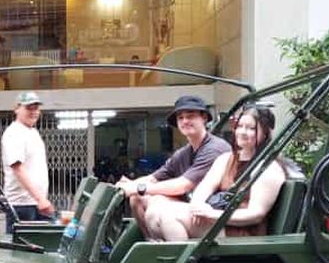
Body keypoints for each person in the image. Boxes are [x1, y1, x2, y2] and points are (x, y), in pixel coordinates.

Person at [150, 105, 285, 241]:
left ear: (265, 133)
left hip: (242, 230)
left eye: (251, 128)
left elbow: (256, 214)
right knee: (154, 212)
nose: (243, 132)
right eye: (240, 126)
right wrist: (198, 205)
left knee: (169, 217)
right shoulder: (226, 159)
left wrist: (210, 214)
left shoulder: (268, 168)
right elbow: (204, 187)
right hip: (217, 219)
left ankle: (184, 254)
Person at [116, 95, 230, 239]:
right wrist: (127, 186)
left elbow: (183, 185)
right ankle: (150, 242)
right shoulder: (184, 153)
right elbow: (153, 178)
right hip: (192, 209)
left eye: (190, 116)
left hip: (215, 214)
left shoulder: (214, 149)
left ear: (204, 118)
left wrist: (138, 187)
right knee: (137, 198)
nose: (185, 121)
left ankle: (176, 252)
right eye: (180, 118)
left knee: (157, 211)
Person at [1, 91, 53, 233]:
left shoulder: (32, 132)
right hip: (22, 205)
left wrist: (40, 199)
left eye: (36, 108)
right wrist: (40, 199)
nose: (33, 112)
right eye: (29, 108)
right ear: (17, 108)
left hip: (35, 203)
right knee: (21, 246)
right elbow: (18, 169)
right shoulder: (14, 133)